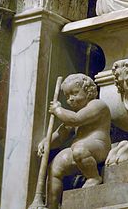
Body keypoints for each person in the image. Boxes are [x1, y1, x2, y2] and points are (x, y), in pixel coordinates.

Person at [37, 74, 111, 208]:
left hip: (99, 148)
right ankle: (51, 205)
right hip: (79, 152)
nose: (70, 99)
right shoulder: (74, 113)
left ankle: (93, 177)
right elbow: (61, 135)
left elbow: (76, 119)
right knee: (55, 167)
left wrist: (58, 110)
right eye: (67, 96)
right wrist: (47, 142)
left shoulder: (97, 105)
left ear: (88, 91)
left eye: (75, 93)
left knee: (79, 150)